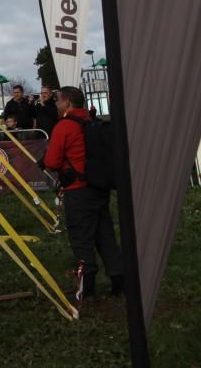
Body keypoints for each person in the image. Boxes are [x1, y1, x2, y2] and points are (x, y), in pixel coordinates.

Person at [41, 86, 122, 304]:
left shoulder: (65, 126)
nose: (56, 104)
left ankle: (86, 287)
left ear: (67, 102)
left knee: (81, 238)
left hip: (78, 190)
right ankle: (118, 279)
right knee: (105, 234)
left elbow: (52, 162)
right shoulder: (89, 121)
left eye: (57, 100)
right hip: (98, 186)